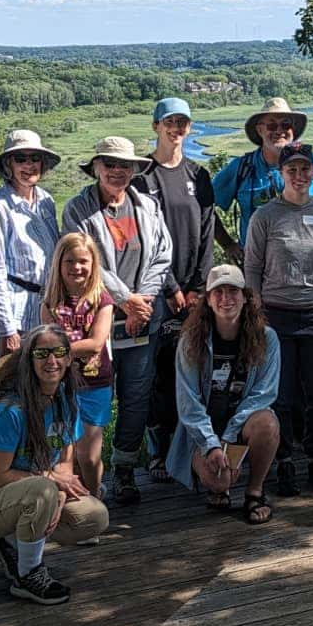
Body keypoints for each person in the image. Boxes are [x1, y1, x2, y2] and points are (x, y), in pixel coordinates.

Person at [0, 325, 110, 605]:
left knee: (95, 517)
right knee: (42, 491)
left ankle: (12, 540)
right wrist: (51, 485)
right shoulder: (11, 411)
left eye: (59, 352)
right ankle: (28, 574)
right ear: (29, 360)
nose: (51, 361)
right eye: (42, 353)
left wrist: (60, 493)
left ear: (68, 358)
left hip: (29, 490)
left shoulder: (65, 400)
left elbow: (65, 462)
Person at [61, 137, 174, 505]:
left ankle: (124, 467)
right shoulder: (78, 208)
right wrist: (126, 301)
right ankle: (82, 472)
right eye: (109, 164)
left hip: (143, 321)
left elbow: (162, 255)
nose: (117, 171)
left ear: (134, 170)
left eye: (124, 165)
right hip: (96, 322)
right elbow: (89, 263)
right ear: (95, 167)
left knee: (136, 397)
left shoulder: (148, 206)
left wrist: (144, 303)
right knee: (91, 396)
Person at [244, 142, 313, 494]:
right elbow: (253, 269)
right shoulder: (265, 216)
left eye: (306, 169)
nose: (300, 176)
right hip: (277, 316)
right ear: (281, 173)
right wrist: (257, 317)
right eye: (293, 170)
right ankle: (284, 462)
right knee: (282, 396)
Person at [137, 98, 217, 485]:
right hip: (155, 291)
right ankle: (156, 449)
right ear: (156, 126)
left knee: (190, 369)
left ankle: (186, 448)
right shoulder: (143, 177)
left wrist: (200, 288)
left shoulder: (198, 174)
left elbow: (207, 233)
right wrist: (169, 288)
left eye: (182, 122)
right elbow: (145, 238)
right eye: (169, 121)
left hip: (194, 292)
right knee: (155, 371)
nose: (176, 128)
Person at [169, 265, 283, 524]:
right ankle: (218, 485)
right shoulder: (190, 341)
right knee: (220, 481)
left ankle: (255, 492)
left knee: (268, 422)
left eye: (233, 291)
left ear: (245, 297)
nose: (225, 299)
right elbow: (188, 403)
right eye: (218, 292)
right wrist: (211, 444)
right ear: (207, 300)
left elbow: (264, 394)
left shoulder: (267, 338)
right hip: (203, 433)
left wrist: (230, 438)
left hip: (242, 426)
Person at [212, 97, 313, 255]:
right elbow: (204, 203)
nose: (279, 130)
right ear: (260, 130)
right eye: (272, 125)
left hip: (306, 263)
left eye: (286, 124)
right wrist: (228, 245)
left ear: (293, 129)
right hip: (257, 265)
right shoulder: (241, 168)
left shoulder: (312, 163)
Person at [0, 129, 62, 360]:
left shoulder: (46, 201)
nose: (29, 165)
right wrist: (6, 329)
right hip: (11, 314)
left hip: (41, 312)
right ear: (8, 165)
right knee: (11, 389)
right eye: (20, 159)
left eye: (35, 158)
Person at [41, 232, 115, 496]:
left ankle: (93, 501)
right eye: (70, 261)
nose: (77, 267)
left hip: (95, 384)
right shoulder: (50, 302)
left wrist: (58, 350)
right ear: (59, 264)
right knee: (65, 455)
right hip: (61, 386)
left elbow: (96, 343)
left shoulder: (102, 300)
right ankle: (76, 504)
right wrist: (60, 351)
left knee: (89, 456)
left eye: (83, 261)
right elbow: (46, 344)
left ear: (93, 264)